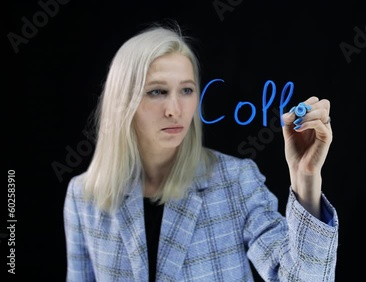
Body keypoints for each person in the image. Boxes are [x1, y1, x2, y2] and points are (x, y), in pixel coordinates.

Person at [63, 22, 339, 282]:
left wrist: (306, 178)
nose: (175, 110)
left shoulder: (235, 181)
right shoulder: (84, 196)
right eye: (157, 92)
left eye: (186, 90)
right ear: (123, 100)